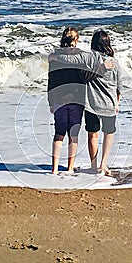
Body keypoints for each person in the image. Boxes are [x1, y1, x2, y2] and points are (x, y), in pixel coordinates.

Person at [50, 30, 122, 176]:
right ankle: (104, 164)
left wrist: (54, 56)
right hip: (109, 104)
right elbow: (119, 86)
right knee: (108, 133)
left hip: (92, 104)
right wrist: (117, 104)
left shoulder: (89, 57)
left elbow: (69, 60)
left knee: (92, 135)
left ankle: (94, 166)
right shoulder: (115, 63)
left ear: (93, 43)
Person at [47, 27, 85, 174]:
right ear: (75, 40)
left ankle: (54, 168)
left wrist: (50, 101)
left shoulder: (54, 56)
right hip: (76, 98)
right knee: (73, 134)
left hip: (59, 99)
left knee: (59, 134)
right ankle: (70, 167)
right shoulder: (80, 56)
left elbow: (51, 80)